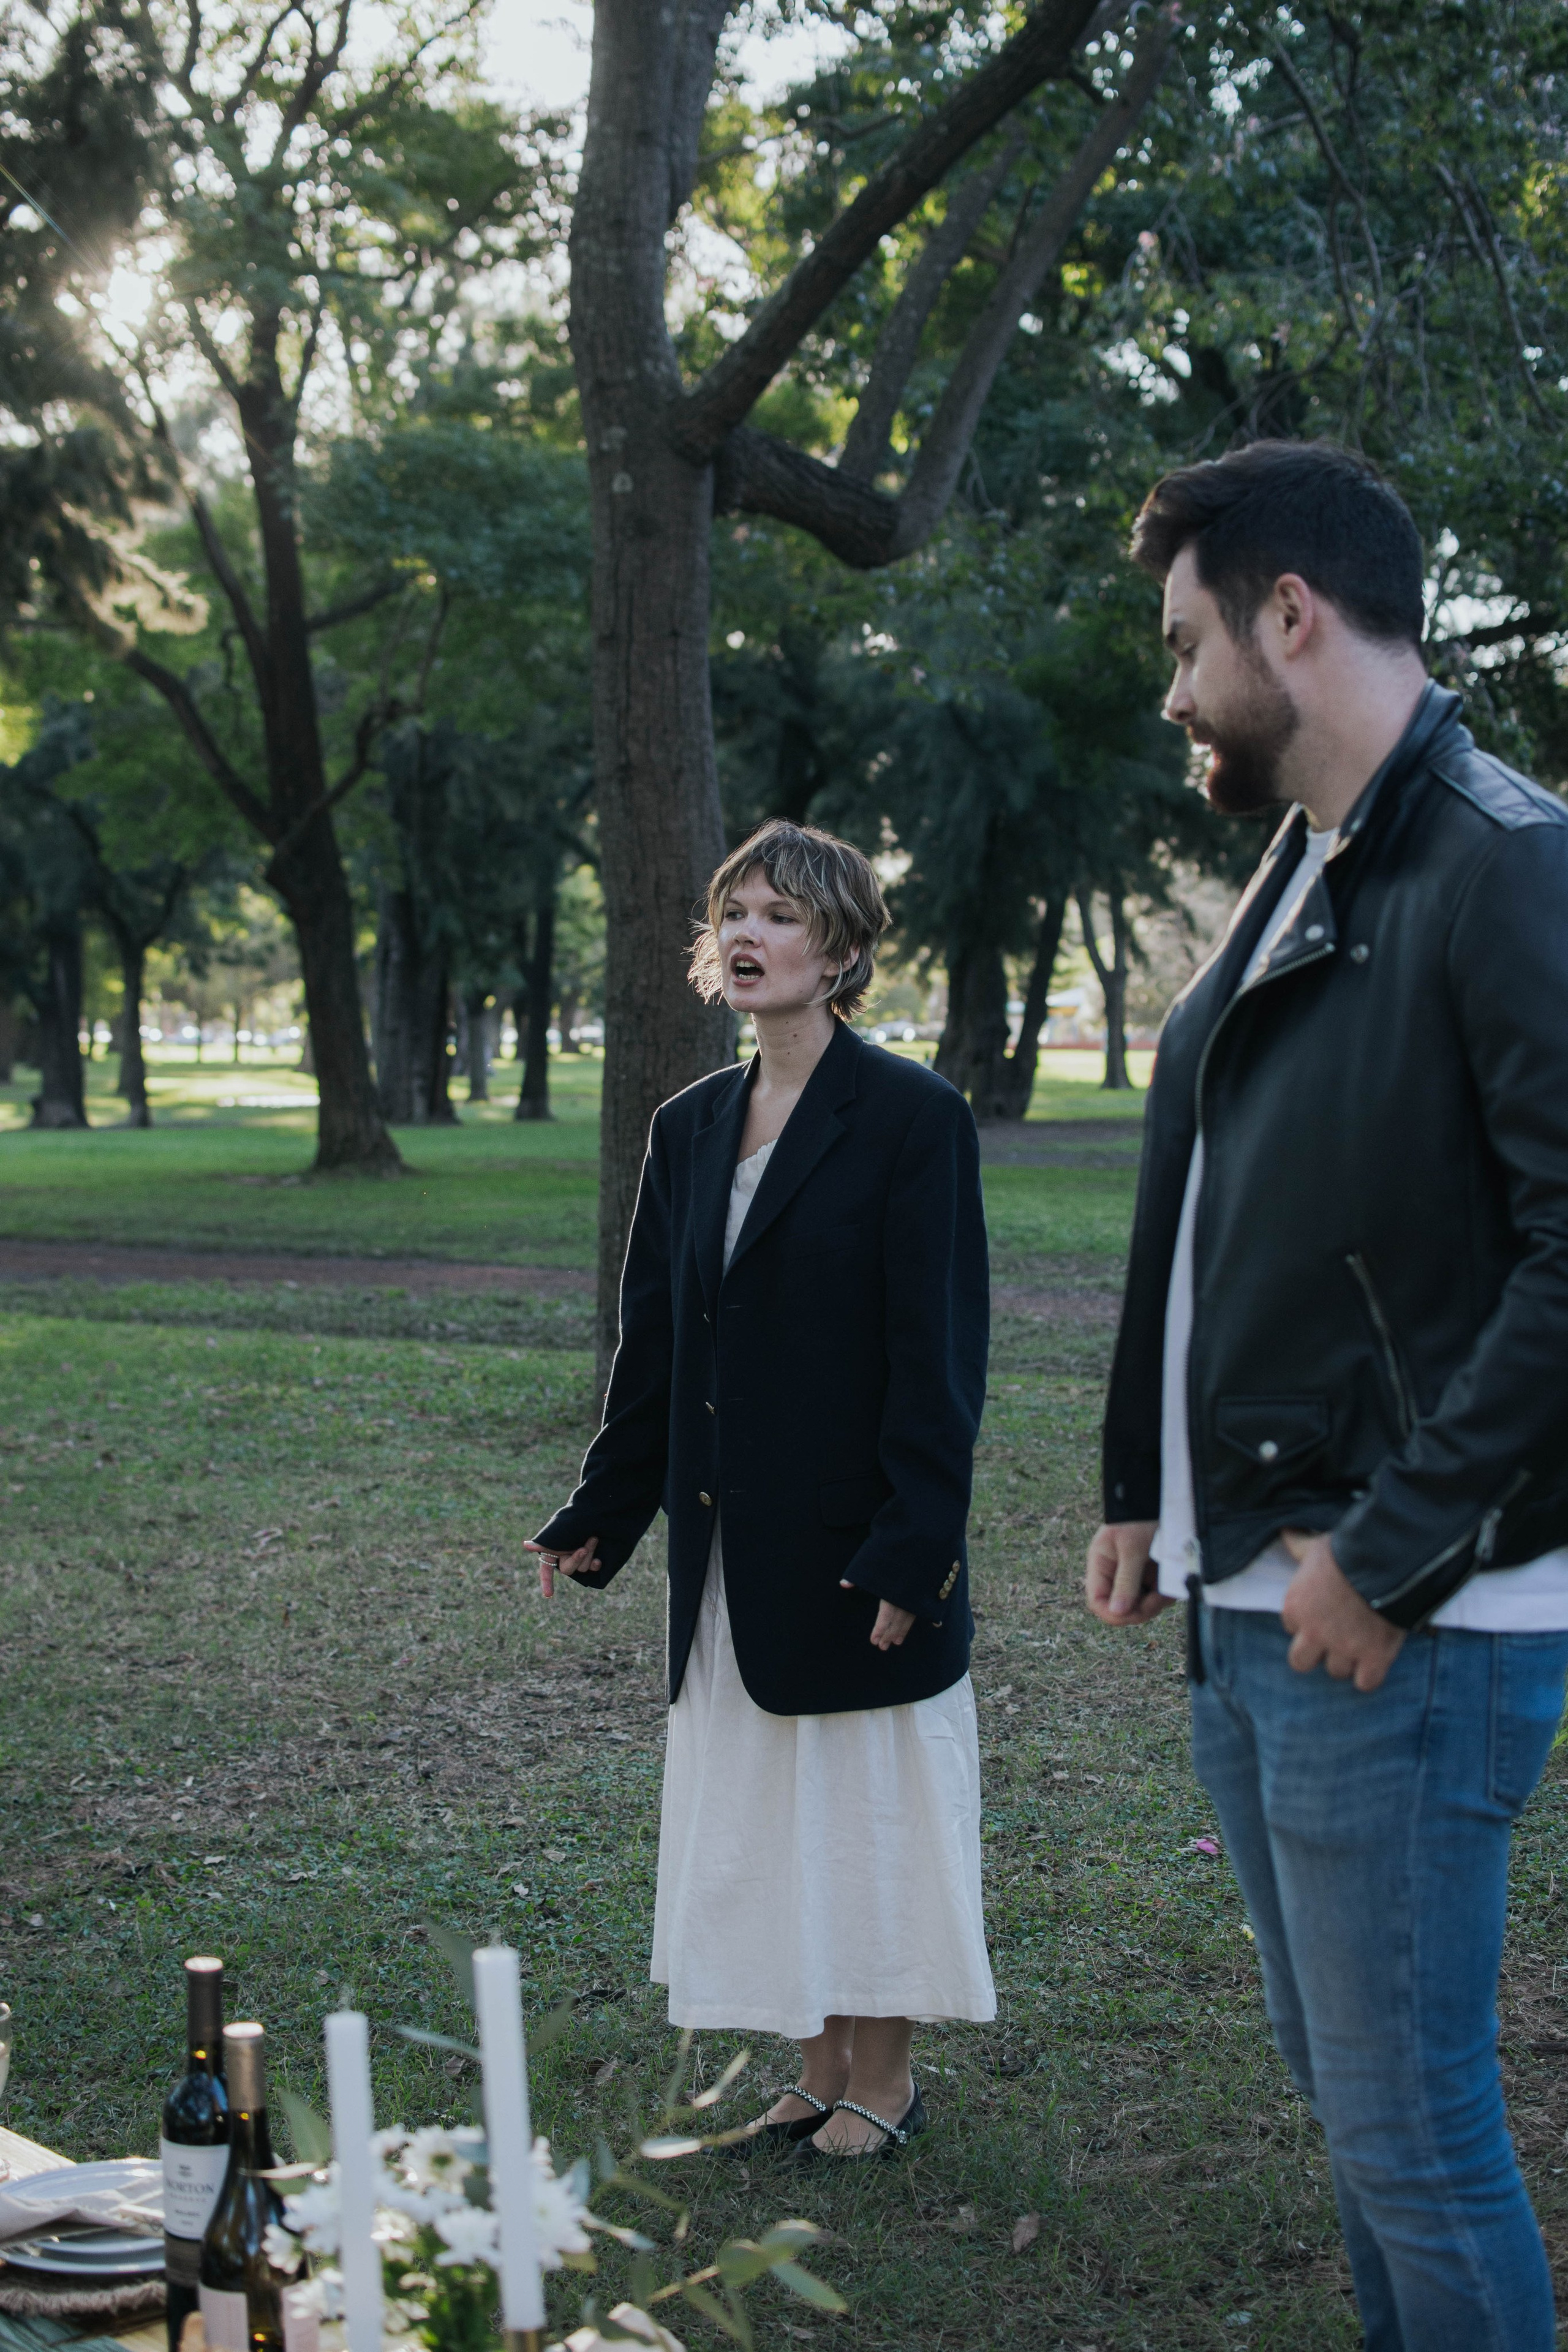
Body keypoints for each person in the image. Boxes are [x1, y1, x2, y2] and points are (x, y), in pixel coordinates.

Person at [1085, 439, 1568, 2352]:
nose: (1176, 687)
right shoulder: (1310, 856)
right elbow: (1205, 1175)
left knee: (1416, 2125)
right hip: (1253, 1602)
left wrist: (1386, 1555)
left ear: (1293, 613)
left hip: (1402, 1618)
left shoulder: (1506, 860)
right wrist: (1143, 1480)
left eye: (1190, 638)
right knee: (1356, 2112)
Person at [528, 819, 995, 2158]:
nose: (747, 935)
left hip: (857, 1543)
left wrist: (915, 1554)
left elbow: (938, 1360)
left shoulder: (913, 1118)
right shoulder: (686, 1129)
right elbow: (656, 1348)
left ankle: (884, 2076)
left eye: (782, 916)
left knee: (866, 1803)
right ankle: (811, 2062)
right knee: (759, 1802)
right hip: (726, 1546)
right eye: (734, 910)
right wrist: (602, 1512)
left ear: (839, 950)